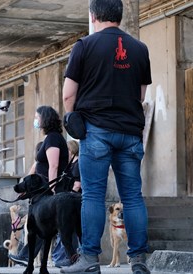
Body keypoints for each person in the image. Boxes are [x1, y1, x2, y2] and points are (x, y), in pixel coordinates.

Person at [61, 0, 152, 273]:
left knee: (92, 196)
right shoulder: (139, 48)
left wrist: (73, 119)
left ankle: (89, 260)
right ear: (120, 16)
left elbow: (68, 94)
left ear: (93, 15)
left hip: (96, 130)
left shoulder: (84, 46)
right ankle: (138, 261)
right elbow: (141, 96)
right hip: (130, 133)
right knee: (133, 197)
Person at [9, 106, 69, 266]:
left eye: (37, 117)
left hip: (51, 190)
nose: (35, 120)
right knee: (43, 226)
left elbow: (54, 165)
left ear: (45, 119)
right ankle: (25, 256)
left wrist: (51, 189)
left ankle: (71, 257)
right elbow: (38, 165)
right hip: (43, 190)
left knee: (49, 226)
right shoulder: (49, 138)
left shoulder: (54, 138)